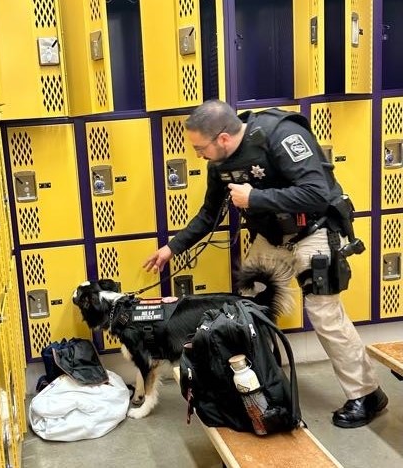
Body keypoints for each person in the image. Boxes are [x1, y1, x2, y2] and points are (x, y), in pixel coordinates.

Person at [143, 99, 387, 428]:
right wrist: (172, 248)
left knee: (325, 316)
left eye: (201, 148)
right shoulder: (219, 165)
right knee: (249, 311)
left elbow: (316, 192)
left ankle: (367, 394)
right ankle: (260, 382)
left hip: (313, 231)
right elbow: (208, 214)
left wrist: (255, 198)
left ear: (223, 139)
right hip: (270, 239)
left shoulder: (280, 134)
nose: (198, 155)